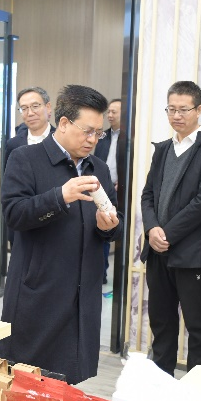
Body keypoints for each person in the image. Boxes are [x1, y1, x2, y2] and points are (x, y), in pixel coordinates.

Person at [0, 84, 123, 385]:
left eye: (99, 133)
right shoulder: (26, 158)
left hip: (82, 293)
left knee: (71, 380)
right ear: (64, 123)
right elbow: (14, 214)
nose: (93, 139)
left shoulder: (98, 168)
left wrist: (109, 227)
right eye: (87, 131)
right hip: (40, 289)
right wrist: (59, 196)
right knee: (28, 380)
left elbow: (113, 220)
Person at [140, 80, 201, 376]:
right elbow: (148, 195)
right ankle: (160, 382)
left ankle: (196, 389)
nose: (176, 115)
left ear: (199, 110)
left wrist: (166, 233)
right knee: (161, 323)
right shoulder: (164, 149)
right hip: (158, 252)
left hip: (192, 253)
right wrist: (152, 229)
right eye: (171, 109)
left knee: (198, 325)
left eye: (183, 109)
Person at [3, 86, 55, 246]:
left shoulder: (62, 140)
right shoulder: (13, 144)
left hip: (55, 221)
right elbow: (9, 186)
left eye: (35, 106)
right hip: (23, 222)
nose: (30, 113)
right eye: (24, 108)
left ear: (48, 107)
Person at [94, 98, 121, 284]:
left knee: (114, 226)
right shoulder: (103, 136)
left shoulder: (129, 136)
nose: (110, 115)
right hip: (101, 188)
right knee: (100, 226)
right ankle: (101, 272)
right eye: (108, 112)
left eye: (114, 112)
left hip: (121, 189)